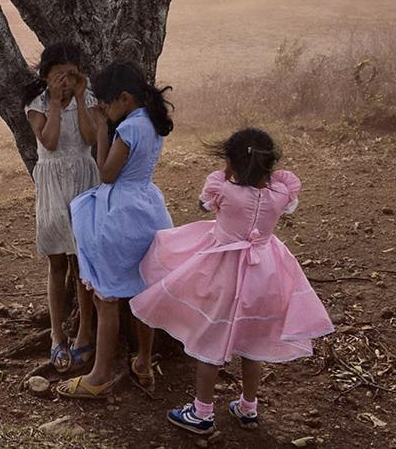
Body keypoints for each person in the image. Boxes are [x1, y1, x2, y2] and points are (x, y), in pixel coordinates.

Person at [129, 128, 334, 435]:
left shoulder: (223, 189)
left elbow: (205, 205)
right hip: (265, 273)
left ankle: (202, 412)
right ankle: (248, 406)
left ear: (232, 163)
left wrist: (226, 182)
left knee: (211, 340)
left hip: (223, 270)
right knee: (253, 343)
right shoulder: (281, 193)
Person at [55, 61, 174, 398]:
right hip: (147, 208)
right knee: (142, 291)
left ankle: (99, 377)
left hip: (119, 213)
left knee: (106, 298)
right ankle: (144, 362)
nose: (105, 110)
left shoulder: (127, 129)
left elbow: (107, 175)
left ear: (124, 97)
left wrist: (103, 131)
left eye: (107, 104)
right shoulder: (150, 121)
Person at [24, 42, 99, 373]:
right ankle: (57, 335)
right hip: (54, 184)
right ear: (45, 76)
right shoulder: (36, 105)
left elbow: (90, 138)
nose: (65, 82)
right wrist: (55, 103)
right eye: (58, 76)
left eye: (71, 75)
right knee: (58, 262)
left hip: (84, 179)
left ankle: (85, 331)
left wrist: (81, 100)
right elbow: (50, 141)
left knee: (83, 264)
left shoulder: (90, 98)